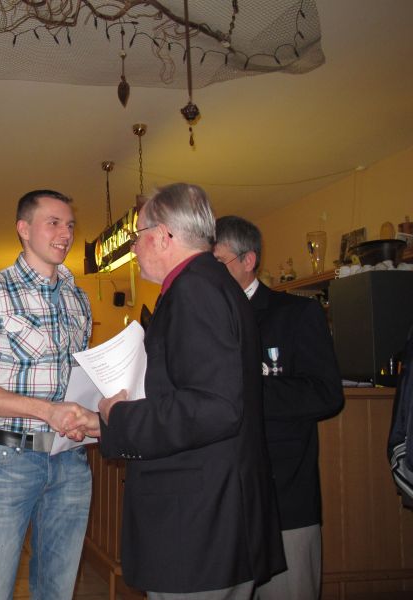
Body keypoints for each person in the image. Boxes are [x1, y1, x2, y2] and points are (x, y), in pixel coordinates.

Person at [80, 183, 286, 599]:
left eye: (138, 237)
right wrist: (109, 422)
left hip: (199, 524)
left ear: (162, 236)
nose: (134, 248)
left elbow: (213, 407)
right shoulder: (209, 284)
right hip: (210, 517)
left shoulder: (194, 290)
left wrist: (118, 415)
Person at [0, 189, 94, 600]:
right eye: (54, 223)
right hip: (10, 458)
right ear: (24, 229)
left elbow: (77, 378)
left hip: (71, 459)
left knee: (57, 589)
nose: (66, 233)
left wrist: (89, 414)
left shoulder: (77, 298)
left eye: (70, 225)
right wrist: (48, 411)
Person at [214, 215, 344, 600]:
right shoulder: (207, 321)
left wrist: (244, 392)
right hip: (221, 501)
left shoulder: (296, 313)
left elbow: (326, 393)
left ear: (248, 260)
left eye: (218, 262)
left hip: (284, 497)